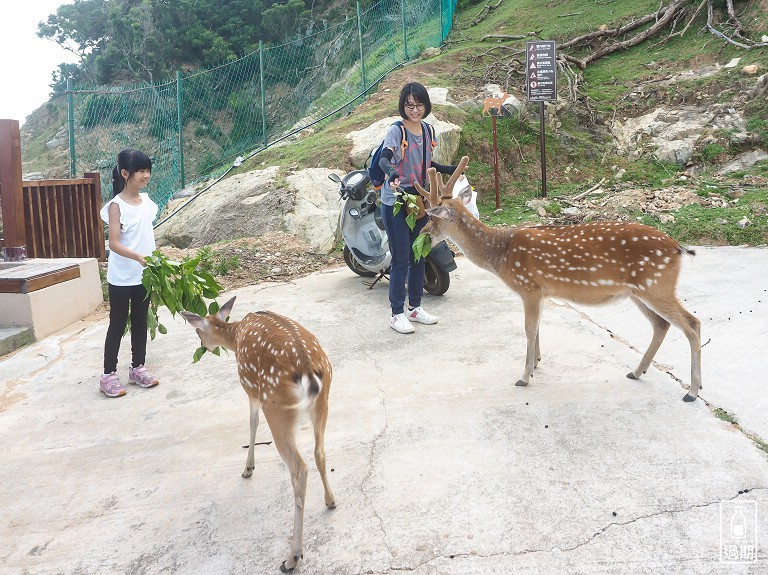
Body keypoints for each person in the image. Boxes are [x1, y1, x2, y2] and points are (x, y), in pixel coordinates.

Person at [378, 82, 456, 334]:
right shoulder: (396, 131)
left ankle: (415, 308)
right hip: (397, 200)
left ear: (426, 105)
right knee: (401, 259)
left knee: (419, 255)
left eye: (419, 105)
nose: (415, 110)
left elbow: (424, 161)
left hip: (420, 201)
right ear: (403, 105)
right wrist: (390, 173)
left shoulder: (427, 130)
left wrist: (447, 169)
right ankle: (396, 313)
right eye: (410, 105)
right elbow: (384, 158)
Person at [98, 149, 160, 397]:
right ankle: (108, 375)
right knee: (117, 322)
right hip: (122, 277)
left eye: (147, 171)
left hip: (144, 275)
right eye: (140, 171)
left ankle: (138, 368)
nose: (146, 175)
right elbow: (113, 243)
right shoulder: (116, 206)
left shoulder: (147, 202)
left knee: (140, 321)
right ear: (125, 173)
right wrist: (137, 256)